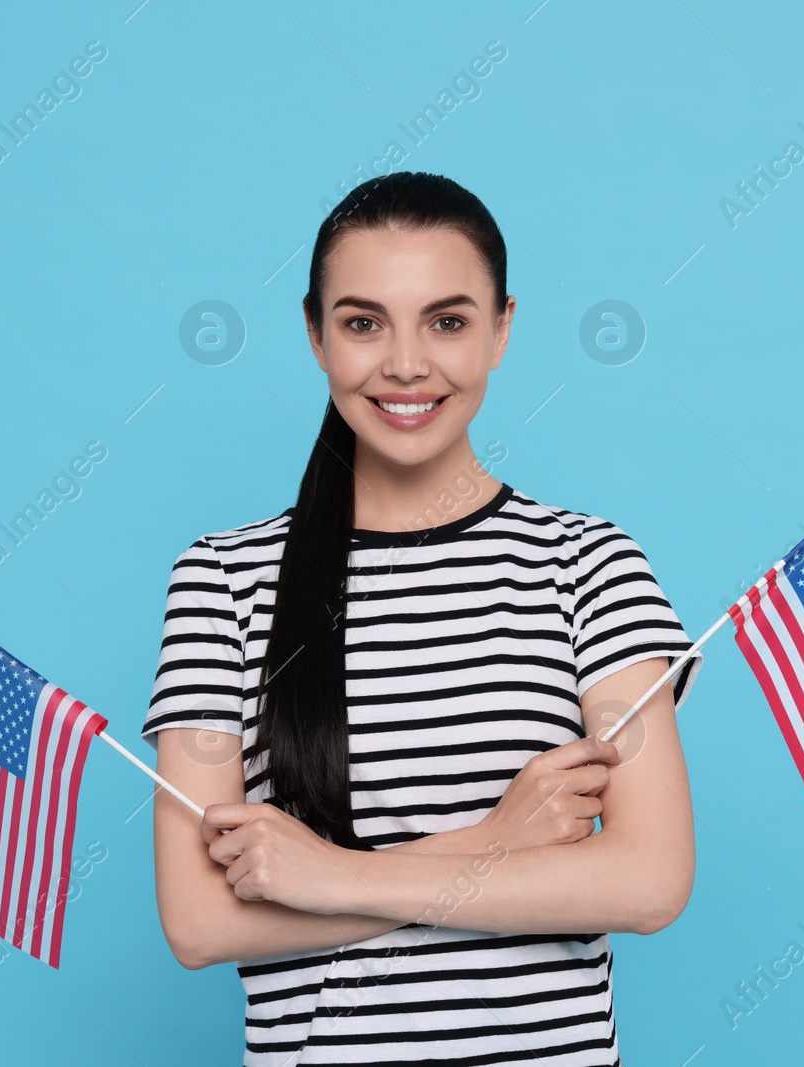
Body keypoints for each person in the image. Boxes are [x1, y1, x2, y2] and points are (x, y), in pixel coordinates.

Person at [141, 171, 702, 1065]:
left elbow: (648, 880)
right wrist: (493, 841)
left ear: (502, 329)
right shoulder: (224, 580)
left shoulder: (588, 564)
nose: (406, 364)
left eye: (448, 320)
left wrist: (331, 878)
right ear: (315, 334)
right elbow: (201, 921)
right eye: (364, 322)